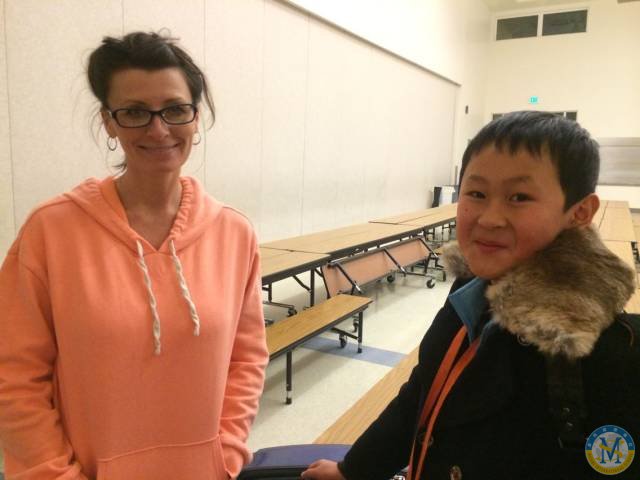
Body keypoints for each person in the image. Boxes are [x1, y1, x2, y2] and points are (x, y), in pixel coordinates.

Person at [302, 111, 640, 479]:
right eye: (476, 193)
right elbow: (423, 391)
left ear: (579, 212)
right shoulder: (471, 286)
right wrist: (354, 469)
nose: (489, 218)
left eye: (519, 197)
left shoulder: (607, 353)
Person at [0, 32, 268, 480]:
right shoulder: (50, 231)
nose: (158, 129)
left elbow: (247, 358)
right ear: (109, 121)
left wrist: (226, 453)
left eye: (175, 109)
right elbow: (15, 376)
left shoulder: (234, 233)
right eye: (135, 112)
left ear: (196, 117)